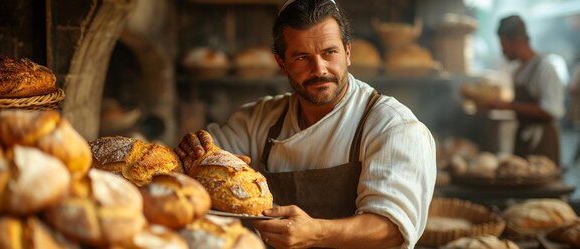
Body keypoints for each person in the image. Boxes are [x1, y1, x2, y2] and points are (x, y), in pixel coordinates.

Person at [175, 0, 436, 248]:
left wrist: (316, 233)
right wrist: (196, 149)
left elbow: (391, 228)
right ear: (282, 64)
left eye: (329, 52)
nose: (319, 68)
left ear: (347, 52)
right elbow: (201, 160)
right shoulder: (259, 120)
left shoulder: (392, 126)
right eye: (301, 57)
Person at [489, 15, 566, 166]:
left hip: (542, 143)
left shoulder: (544, 68)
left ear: (515, 42)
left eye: (503, 44)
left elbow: (551, 111)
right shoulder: (519, 70)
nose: (502, 51)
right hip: (523, 139)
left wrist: (508, 106)